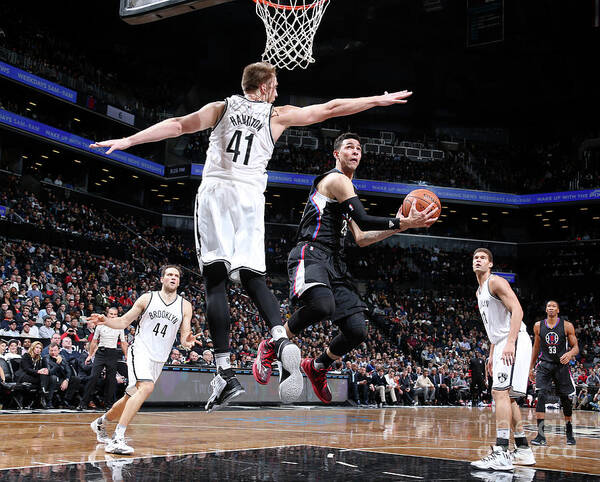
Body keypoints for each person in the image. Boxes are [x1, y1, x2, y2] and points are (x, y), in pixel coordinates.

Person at [92, 63, 414, 409]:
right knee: (253, 277)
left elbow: (177, 126)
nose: (276, 92)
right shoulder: (277, 116)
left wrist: (130, 139)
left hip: (217, 192)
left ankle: (226, 372)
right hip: (250, 199)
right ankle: (279, 337)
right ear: (263, 87)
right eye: (274, 87)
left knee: (215, 280)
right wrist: (377, 100)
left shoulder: (220, 108)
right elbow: (332, 108)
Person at [279, 132, 437, 403]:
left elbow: (362, 238)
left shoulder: (347, 192)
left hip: (335, 263)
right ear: (336, 154)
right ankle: (273, 344)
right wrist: (403, 223)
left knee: (357, 330)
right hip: (313, 251)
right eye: (349, 147)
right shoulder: (336, 180)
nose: (355, 152)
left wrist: (400, 227)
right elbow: (364, 219)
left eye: (359, 149)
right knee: (322, 306)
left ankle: (317, 366)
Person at [88, 265, 195, 455]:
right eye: (169, 274)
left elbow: (185, 336)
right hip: (140, 350)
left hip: (159, 358)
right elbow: (123, 321)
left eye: (176, 276)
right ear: (162, 279)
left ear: (179, 281)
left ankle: (100, 423)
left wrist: (187, 342)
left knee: (129, 397)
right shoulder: (148, 298)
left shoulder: (185, 306)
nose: (173, 278)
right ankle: (117, 439)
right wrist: (106, 320)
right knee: (146, 387)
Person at [470, 248, 536, 471]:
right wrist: (491, 354)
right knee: (508, 398)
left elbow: (517, 310)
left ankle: (501, 453)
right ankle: (524, 450)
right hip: (500, 343)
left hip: (513, 339)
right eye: (475, 258)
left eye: (482, 258)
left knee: (500, 393)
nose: (478, 260)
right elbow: (492, 327)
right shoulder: (479, 292)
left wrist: (510, 342)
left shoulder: (495, 282)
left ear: (490, 264)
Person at [529, 300, 579, 446]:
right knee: (541, 395)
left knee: (565, 398)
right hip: (544, 365)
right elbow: (536, 347)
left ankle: (569, 434)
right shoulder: (538, 326)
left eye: (553, 306)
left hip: (561, 365)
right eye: (548, 306)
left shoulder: (566, 326)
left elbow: (576, 347)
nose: (550, 308)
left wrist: (569, 354)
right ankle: (541, 435)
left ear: (558, 310)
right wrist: (531, 367)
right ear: (546, 310)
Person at [78, 307, 128, 411]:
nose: (113, 316)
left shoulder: (119, 326)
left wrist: (126, 356)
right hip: (101, 353)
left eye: (115, 314)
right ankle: (83, 403)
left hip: (112, 353)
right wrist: (90, 355)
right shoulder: (100, 325)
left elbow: (123, 342)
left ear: (117, 315)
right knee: (93, 377)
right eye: (111, 314)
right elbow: (94, 341)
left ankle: (108, 404)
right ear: (107, 314)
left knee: (111, 379)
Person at [15, 341, 51, 408]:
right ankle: (42, 393)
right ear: (33, 348)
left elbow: (44, 368)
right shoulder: (26, 355)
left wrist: (45, 370)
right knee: (41, 378)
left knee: (45, 375)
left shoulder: (40, 358)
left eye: (40, 348)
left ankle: (42, 392)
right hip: (23, 376)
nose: (38, 349)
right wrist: (38, 371)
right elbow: (27, 369)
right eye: (37, 347)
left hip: (33, 376)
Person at [46, 343, 81, 408]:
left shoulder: (62, 357)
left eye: (55, 350)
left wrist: (66, 380)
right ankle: (49, 401)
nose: (53, 352)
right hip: (51, 380)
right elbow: (50, 372)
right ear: (48, 351)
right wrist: (58, 364)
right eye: (51, 350)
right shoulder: (46, 358)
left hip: (62, 379)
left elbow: (68, 371)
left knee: (76, 379)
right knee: (53, 378)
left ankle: (66, 400)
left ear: (59, 351)